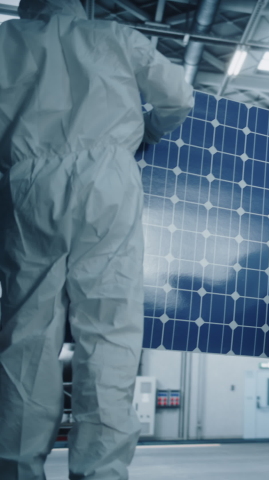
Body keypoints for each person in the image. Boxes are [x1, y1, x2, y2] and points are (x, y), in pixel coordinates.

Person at [0, 0, 193, 478]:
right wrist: (149, 128)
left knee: (27, 335)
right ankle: (101, 471)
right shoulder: (116, 37)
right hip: (107, 179)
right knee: (109, 331)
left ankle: (17, 468)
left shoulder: (6, 42)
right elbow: (179, 97)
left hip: (26, 182)